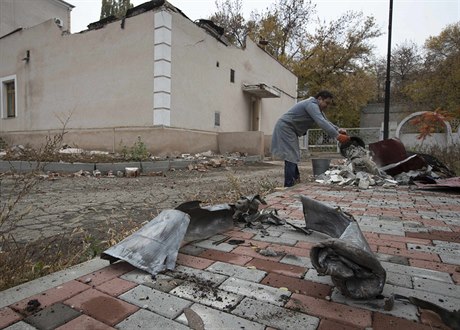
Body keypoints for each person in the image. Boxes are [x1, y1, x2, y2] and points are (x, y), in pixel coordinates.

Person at [271, 90, 350, 187]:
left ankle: (295, 182)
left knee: (293, 156)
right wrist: (338, 136)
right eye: (326, 103)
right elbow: (321, 122)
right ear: (319, 99)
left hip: (290, 129)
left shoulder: (316, 107)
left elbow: (326, 121)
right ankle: (289, 185)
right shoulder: (311, 104)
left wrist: (338, 130)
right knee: (291, 156)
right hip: (286, 127)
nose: (327, 106)